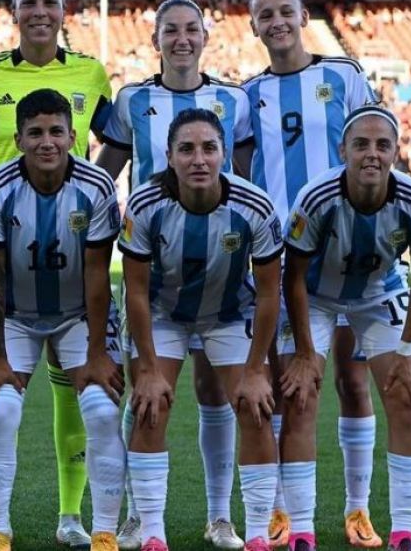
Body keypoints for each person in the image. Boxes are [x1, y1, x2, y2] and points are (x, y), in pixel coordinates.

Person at [0, 0, 114, 548]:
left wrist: (89, 190)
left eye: (51, 2)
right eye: (29, 2)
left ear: (64, 9)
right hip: (4, 254)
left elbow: (114, 137)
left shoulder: (91, 73)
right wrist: (6, 188)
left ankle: (75, 517)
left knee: (80, 402)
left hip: (73, 259)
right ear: (14, 9)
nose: (40, 12)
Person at [96, 0, 252, 550]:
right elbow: (106, 172)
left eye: (191, 30)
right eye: (170, 31)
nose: (181, 39)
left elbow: (246, 178)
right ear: (155, 39)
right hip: (153, 271)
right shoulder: (131, 99)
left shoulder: (235, 99)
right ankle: (140, 517)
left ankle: (220, 517)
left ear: (206, 37)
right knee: (148, 393)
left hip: (221, 273)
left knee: (217, 393)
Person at [239, 0, 379, 549]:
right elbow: (241, 168)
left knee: (352, 381)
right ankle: (279, 511)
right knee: (283, 383)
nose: (277, 22)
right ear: (254, 27)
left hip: (349, 252)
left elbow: (376, 143)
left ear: (302, 16)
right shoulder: (249, 93)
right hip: (279, 257)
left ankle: (357, 509)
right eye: (265, 15)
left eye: (284, 12)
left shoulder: (342, 74)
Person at [119, 108, 283, 551]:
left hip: (229, 313)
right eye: (186, 149)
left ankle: (256, 535)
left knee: (254, 405)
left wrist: (254, 370)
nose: (198, 159)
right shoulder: (145, 204)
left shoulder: (254, 206)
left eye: (209, 148)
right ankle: (151, 531)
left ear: (223, 155)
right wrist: (149, 367)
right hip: (161, 313)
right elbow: (134, 290)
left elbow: (269, 293)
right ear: (169, 157)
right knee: (152, 402)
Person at [281, 106, 411, 551]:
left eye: (382, 145)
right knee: (298, 398)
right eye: (361, 144)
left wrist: (408, 348)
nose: (371, 154)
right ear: (343, 151)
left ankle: (403, 532)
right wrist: (301, 352)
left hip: (378, 294)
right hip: (313, 294)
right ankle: (301, 532)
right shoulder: (316, 198)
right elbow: (292, 275)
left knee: (407, 397)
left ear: (395, 151)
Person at [0, 89, 125, 551]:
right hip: (14, 316)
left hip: (77, 313)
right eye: (35, 132)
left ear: (73, 136)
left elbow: (99, 274)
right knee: (0, 409)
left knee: (101, 410)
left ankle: (104, 533)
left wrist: (98, 352)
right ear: (17, 139)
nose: (47, 142)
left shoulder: (96, 186)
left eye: (56, 131)